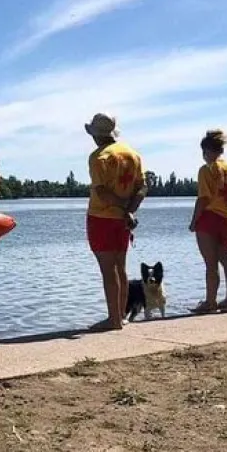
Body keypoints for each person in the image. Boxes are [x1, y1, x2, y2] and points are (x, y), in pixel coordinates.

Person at [84, 113, 147, 331]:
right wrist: (129, 211)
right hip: (122, 221)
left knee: (108, 270)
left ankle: (113, 320)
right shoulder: (133, 155)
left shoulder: (98, 157)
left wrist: (122, 210)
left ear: (96, 135)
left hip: (102, 218)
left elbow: (101, 192)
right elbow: (142, 187)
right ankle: (120, 315)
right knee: (120, 267)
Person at [189, 130, 227, 314]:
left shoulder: (207, 169)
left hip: (209, 218)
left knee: (210, 263)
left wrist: (194, 221)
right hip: (226, 217)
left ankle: (210, 302)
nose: (203, 156)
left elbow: (203, 198)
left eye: (204, 152)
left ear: (208, 151)